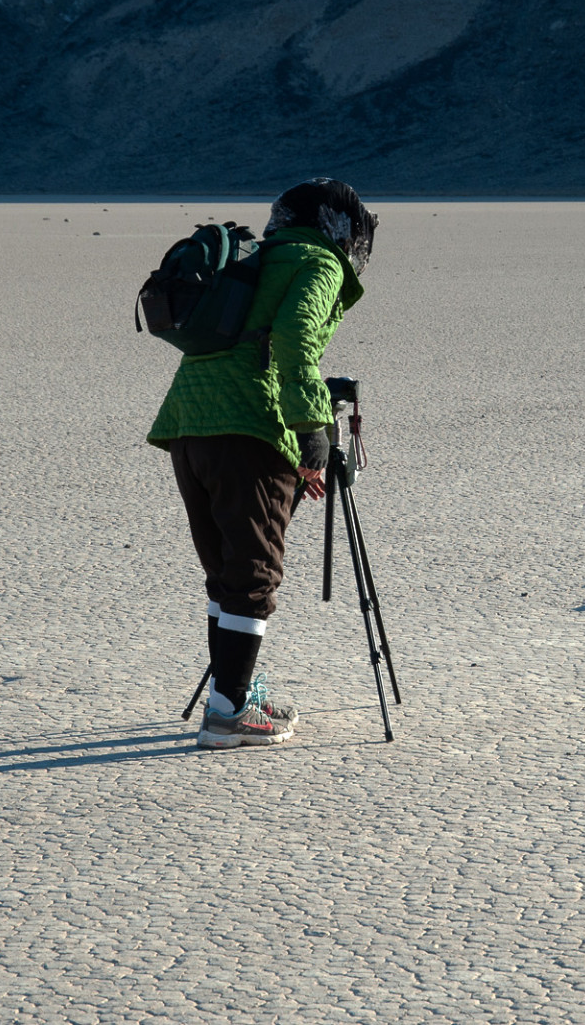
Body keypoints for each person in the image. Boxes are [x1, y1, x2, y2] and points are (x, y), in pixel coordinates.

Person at [147, 179, 377, 749]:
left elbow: (257, 344)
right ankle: (227, 714)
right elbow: (296, 339)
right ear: (342, 232)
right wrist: (313, 434)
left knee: (227, 573)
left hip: (188, 424)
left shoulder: (259, 258)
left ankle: (231, 694)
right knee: (253, 575)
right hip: (247, 428)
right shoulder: (318, 263)